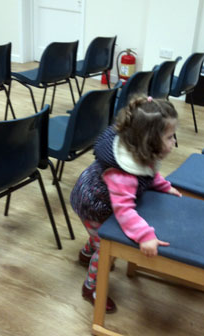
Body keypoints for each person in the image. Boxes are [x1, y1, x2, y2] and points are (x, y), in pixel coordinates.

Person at [70, 95, 182, 313]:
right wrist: (145, 235)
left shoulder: (141, 150)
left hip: (103, 199)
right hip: (92, 205)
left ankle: (85, 254)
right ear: (149, 141)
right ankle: (91, 288)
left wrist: (164, 186)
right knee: (104, 246)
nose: (174, 143)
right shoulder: (123, 174)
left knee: (97, 236)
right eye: (169, 137)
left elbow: (150, 172)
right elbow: (124, 211)